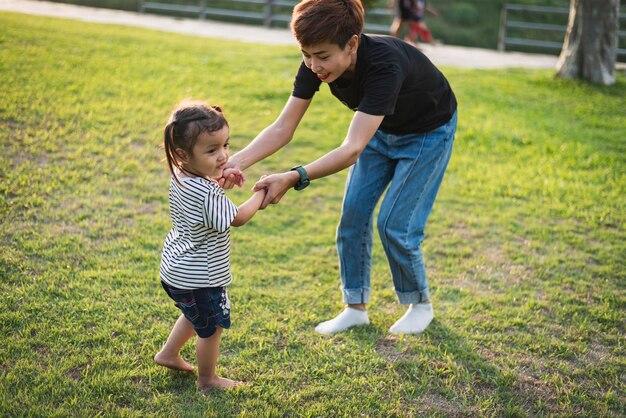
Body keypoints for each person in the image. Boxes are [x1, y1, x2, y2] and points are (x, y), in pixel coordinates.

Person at [221, 0, 457, 335]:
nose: (313, 65)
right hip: (380, 130)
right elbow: (282, 127)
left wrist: (294, 176)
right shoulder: (316, 61)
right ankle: (355, 307)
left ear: (352, 44)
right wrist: (235, 162)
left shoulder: (384, 65)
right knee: (353, 216)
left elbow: (351, 149)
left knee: (395, 224)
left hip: (427, 133)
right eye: (306, 54)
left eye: (322, 56)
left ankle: (420, 304)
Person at [154, 100, 265, 390]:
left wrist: (218, 179)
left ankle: (168, 354)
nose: (224, 156)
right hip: (201, 277)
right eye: (212, 150)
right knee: (212, 327)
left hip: (176, 269)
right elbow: (238, 217)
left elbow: (207, 196)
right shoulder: (205, 191)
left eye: (226, 145)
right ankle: (208, 379)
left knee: (195, 315)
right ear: (183, 153)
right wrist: (260, 196)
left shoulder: (181, 175)